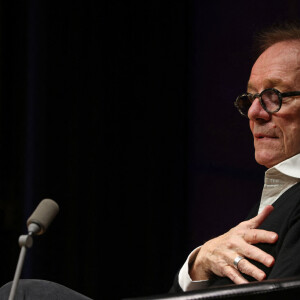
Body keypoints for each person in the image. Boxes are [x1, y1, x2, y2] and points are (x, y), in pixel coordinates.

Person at [171, 22, 300, 293]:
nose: (254, 112)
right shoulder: (275, 201)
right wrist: (199, 263)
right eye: (252, 97)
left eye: (274, 96)